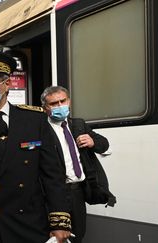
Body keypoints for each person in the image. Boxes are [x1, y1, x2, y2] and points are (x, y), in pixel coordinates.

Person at [0, 51, 72, 243]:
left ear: (7, 84)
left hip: (30, 223)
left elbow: (52, 173)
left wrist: (59, 221)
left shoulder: (35, 120)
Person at [40, 86, 110, 243]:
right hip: (52, 195)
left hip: (77, 192)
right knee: (55, 238)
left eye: (62, 101)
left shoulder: (78, 125)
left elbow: (104, 144)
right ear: (45, 108)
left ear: (69, 101)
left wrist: (93, 142)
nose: (60, 106)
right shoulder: (41, 129)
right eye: (54, 103)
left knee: (78, 235)